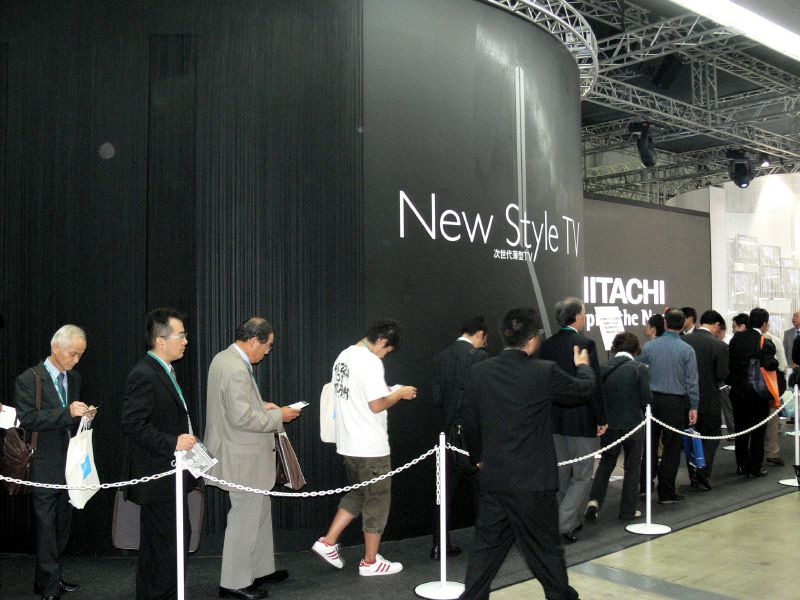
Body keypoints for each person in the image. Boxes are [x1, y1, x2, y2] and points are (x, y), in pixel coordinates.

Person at [458, 307, 596, 600]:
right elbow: (582, 391)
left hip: (495, 478)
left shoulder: (479, 371)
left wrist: (478, 458)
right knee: (545, 552)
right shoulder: (543, 372)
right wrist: (583, 366)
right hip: (534, 482)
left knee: (485, 551)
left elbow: (469, 421)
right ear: (532, 339)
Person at [204, 317, 300, 600]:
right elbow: (242, 418)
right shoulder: (236, 367)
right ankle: (233, 582)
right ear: (254, 340)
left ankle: (259, 569)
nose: (268, 352)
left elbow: (234, 406)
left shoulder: (224, 359)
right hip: (242, 458)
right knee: (244, 520)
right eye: (268, 345)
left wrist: (263, 405)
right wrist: (279, 416)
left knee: (258, 515)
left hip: (241, 454)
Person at [312, 320, 417, 576]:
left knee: (359, 493)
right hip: (370, 446)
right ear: (382, 341)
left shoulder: (343, 356)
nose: (385, 355)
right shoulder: (371, 361)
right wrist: (399, 393)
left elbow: (358, 394)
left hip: (349, 443)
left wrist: (389, 391)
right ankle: (370, 562)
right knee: (377, 502)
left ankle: (328, 542)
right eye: (387, 350)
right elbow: (376, 405)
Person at [120, 308, 197, 600]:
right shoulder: (144, 373)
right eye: (181, 335)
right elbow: (132, 424)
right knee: (163, 546)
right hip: (158, 478)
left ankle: (167, 593)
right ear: (161, 340)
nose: (186, 341)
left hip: (170, 477)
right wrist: (172, 442)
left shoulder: (164, 370)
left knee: (171, 543)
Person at [15, 325, 94, 600]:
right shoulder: (29, 379)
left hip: (70, 462)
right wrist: (66, 413)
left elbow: (69, 418)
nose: (77, 360)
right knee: (47, 528)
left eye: (81, 355)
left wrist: (84, 416)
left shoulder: (75, 378)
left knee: (63, 524)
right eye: (73, 354)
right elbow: (27, 418)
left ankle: (49, 578)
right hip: (44, 463)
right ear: (56, 347)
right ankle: (49, 587)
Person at [539, 297, 606, 543]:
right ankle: (564, 523)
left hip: (554, 419)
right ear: (577, 315)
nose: (585, 317)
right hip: (581, 419)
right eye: (584, 313)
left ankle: (565, 521)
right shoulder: (585, 343)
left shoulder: (547, 345)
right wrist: (601, 418)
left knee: (562, 473)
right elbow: (592, 384)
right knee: (583, 475)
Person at [429, 316, 488, 560]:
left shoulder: (440, 357)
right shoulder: (480, 358)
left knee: (444, 495)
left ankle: (439, 545)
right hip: (472, 438)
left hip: (446, 436)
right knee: (482, 494)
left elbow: (435, 398)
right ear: (480, 334)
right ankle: (485, 545)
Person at [585, 332, 651, 523]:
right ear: (635, 349)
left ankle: (594, 501)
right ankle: (628, 511)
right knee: (632, 467)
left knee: (606, 463)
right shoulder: (639, 368)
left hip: (609, 425)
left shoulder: (602, 368)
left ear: (615, 348)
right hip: (634, 425)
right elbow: (647, 400)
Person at [638, 308, 699, 505]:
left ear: (665, 324)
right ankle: (666, 492)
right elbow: (692, 382)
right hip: (675, 402)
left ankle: (644, 486)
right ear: (682, 326)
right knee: (672, 447)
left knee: (650, 444)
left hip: (652, 401)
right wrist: (694, 406)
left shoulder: (649, 347)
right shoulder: (687, 350)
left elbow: (639, 371)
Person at [727, 307, 778, 478]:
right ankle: (755, 466)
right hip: (757, 393)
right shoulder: (764, 341)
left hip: (737, 392)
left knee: (741, 431)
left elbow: (730, 364)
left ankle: (741, 465)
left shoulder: (736, 339)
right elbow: (769, 364)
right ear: (764, 324)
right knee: (758, 431)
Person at [681, 310, 729, 489]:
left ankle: (693, 474)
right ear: (716, 325)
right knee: (711, 436)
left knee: (691, 437)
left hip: (686, 399)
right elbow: (722, 374)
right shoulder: (719, 345)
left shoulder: (684, 341)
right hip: (710, 399)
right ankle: (702, 473)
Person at [763, 325, 787, 467]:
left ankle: (754, 455)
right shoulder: (775, 341)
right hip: (771, 387)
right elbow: (782, 366)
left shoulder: (744, 339)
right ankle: (772, 452)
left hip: (751, 389)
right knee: (771, 420)